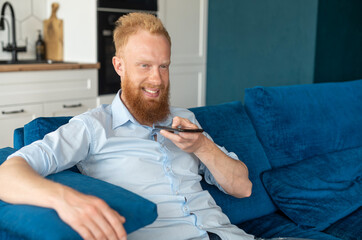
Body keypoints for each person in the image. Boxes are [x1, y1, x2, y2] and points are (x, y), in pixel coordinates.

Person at [0, 13, 253, 240]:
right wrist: (65, 200)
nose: (157, 79)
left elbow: (243, 188)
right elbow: (7, 175)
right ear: (119, 66)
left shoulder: (185, 121)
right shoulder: (94, 127)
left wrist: (201, 145)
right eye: (145, 65)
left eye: (163, 66)